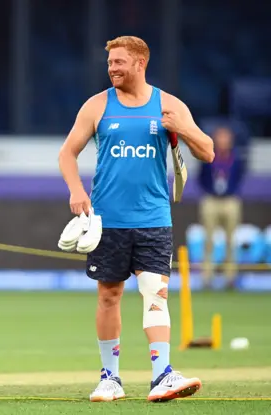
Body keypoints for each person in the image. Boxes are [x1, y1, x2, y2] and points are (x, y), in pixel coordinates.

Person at [58, 36, 214, 403]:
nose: (112, 68)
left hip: (154, 218)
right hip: (107, 220)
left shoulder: (168, 104)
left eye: (119, 62)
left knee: (155, 295)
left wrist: (183, 127)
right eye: (110, 62)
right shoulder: (97, 106)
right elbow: (67, 153)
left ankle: (162, 375)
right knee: (109, 296)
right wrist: (75, 190)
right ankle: (109, 377)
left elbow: (207, 151)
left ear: (140, 63)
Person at [197, 126, 246, 290]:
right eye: (220, 137)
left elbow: (239, 177)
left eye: (226, 137)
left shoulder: (236, 158)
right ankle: (206, 278)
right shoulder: (207, 155)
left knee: (231, 240)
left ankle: (230, 278)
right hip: (211, 200)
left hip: (230, 200)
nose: (223, 140)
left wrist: (232, 191)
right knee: (208, 240)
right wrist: (209, 191)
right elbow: (201, 177)